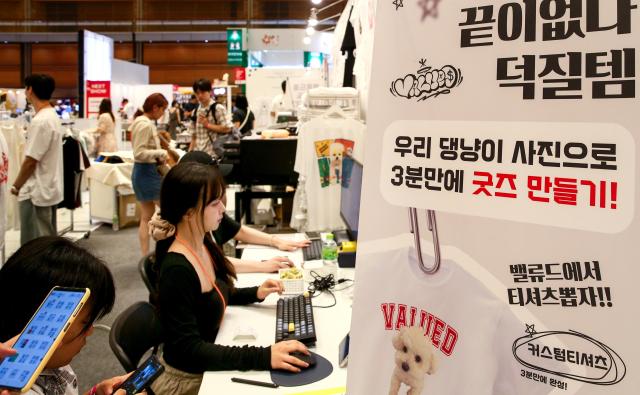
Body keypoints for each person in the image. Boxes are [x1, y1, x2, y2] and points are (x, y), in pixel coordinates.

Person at [148, 162, 310, 394]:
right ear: (189, 212)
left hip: (205, 361)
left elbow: (212, 294)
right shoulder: (177, 269)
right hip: (186, 379)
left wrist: (255, 292)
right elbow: (189, 349)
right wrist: (263, 356)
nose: (223, 209)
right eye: (215, 203)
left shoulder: (202, 242)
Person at [0, 236, 129, 395]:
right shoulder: (19, 390)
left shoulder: (52, 361)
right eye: (85, 322)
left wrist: (95, 393)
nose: (90, 331)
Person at [179, 151, 310, 273]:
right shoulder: (185, 232)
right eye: (214, 202)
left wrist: (275, 241)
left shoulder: (210, 214)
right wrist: (263, 266)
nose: (223, 208)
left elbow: (238, 231)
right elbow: (213, 263)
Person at [10, 74, 64, 246]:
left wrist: (16, 185)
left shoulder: (41, 121)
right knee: (47, 238)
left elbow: (31, 161)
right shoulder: (51, 116)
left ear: (30, 90)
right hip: (47, 187)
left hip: (36, 192)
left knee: (35, 244)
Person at [131, 93, 169, 256]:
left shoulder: (141, 122)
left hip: (144, 173)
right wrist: (161, 152)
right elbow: (138, 153)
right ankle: (165, 252)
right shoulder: (145, 125)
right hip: (147, 173)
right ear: (155, 107)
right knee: (169, 212)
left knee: (146, 216)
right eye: (162, 109)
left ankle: (146, 255)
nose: (163, 114)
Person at [188, 78, 232, 159]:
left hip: (214, 155)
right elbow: (194, 136)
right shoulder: (195, 111)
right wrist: (189, 154)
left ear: (210, 92)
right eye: (197, 93)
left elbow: (228, 128)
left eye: (203, 92)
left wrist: (208, 125)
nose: (200, 95)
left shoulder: (218, 108)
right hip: (198, 155)